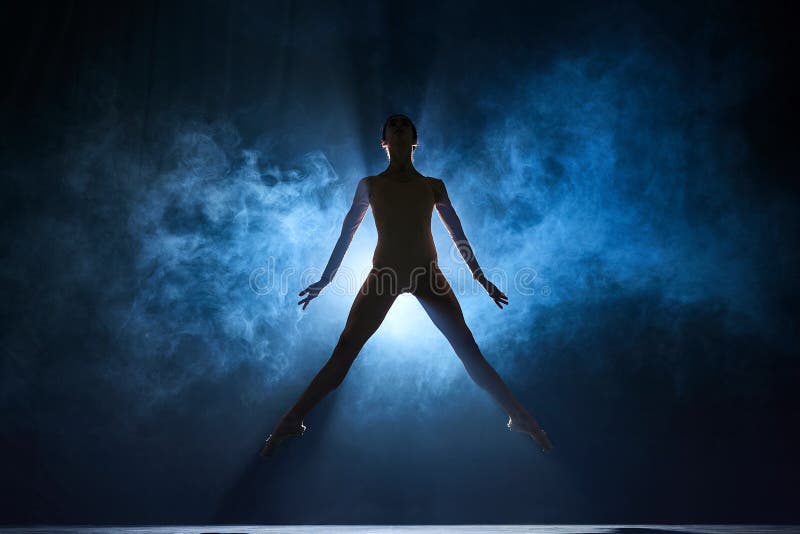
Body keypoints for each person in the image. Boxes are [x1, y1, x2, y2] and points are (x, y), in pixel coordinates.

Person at [260, 114, 552, 456]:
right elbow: (347, 233)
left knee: (469, 351)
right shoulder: (370, 184)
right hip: (384, 274)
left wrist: (479, 276)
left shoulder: (433, 185)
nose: (398, 127)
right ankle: (292, 419)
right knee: (343, 351)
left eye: (404, 124)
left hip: (428, 274)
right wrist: (326, 279)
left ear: (414, 138)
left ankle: (520, 417)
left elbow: (458, 235)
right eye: (392, 125)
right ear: (383, 140)